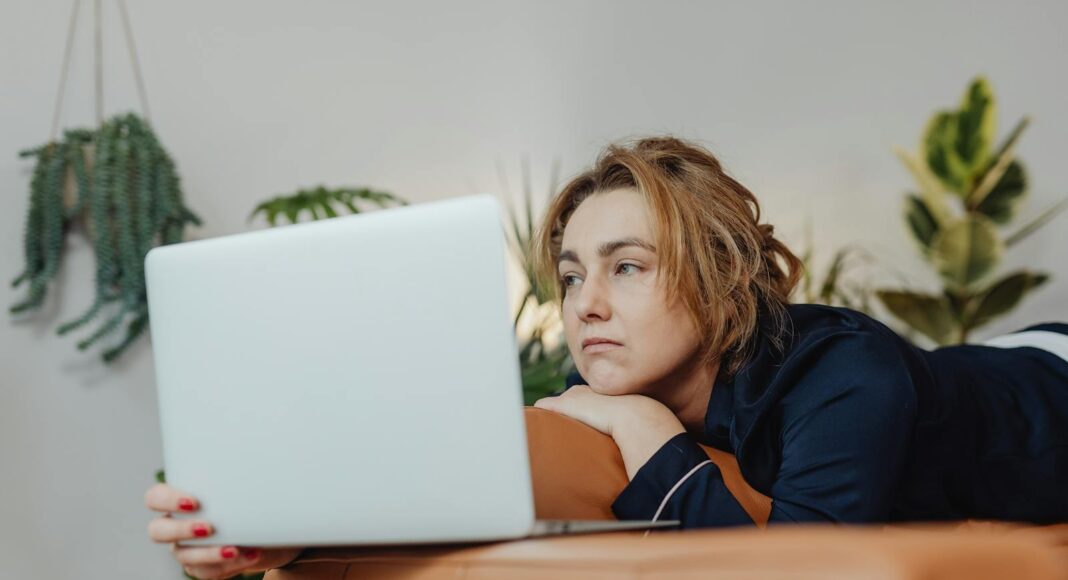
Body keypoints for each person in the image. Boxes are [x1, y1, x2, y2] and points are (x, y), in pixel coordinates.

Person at [145, 136, 1068, 577]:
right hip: (973, 364)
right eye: (573, 271)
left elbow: (790, 570)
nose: (585, 303)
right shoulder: (598, 381)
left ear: (720, 275)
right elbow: (461, 492)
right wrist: (268, 531)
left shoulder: (843, 377)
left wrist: (641, 428)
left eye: (628, 268)